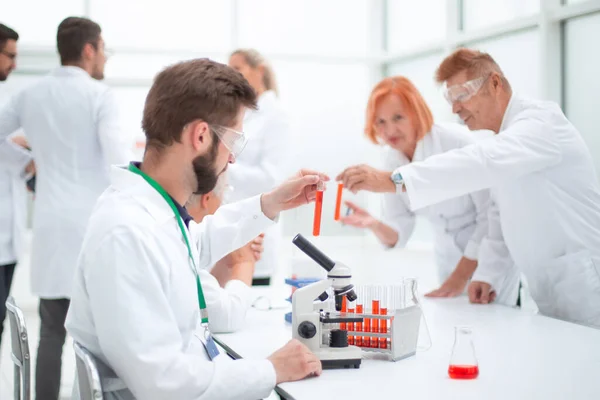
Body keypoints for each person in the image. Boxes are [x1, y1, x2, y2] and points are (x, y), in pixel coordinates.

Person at [65, 58, 326, 399]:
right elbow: (164, 384)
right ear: (201, 135)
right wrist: (271, 368)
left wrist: (271, 202)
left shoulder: (152, 212)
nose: (232, 158)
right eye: (233, 141)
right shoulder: (126, 233)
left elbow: (192, 246)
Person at [345, 48, 600, 328]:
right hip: (550, 286)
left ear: (494, 83)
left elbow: (481, 163)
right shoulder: (506, 141)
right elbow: (503, 217)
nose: (455, 108)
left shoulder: (540, 124)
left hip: (584, 284)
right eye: (450, 99)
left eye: (462, 95)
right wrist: (487, 274)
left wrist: (393, 180)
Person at [0, 16, 131, 398]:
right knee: (98, 337)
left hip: (51, 229)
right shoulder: (100, 96)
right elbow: (118, 165)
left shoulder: (30, 95)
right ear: (89, 49)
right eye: (103, 48)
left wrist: (21, 164)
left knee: (52, 333)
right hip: (94, 229)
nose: (104, 57)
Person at [337, 76, 519, 305]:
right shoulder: (391, 158)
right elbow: (399, 229)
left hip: (489, 263)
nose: (389, 130)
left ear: (416, 113)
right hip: (448, 263)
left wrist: (459, 279)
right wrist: (373, 224)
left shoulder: (456, 141)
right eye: (380, 122)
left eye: (397, 117)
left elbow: (490, 217)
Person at [227, 49, 291, 285]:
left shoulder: (276, 116)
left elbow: (272, 178)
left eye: (238, 70)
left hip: (256, 232)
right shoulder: (243, 113)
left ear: (259, 71)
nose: (231, 76)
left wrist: (222, 168)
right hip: (231, 232)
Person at [0, 22, 36, 350]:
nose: (15, 63)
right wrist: (27, 159)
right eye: (9, 55)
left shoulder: (5, 100)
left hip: (7, 242)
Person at [187, 174, 264, 289]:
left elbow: (208, 291)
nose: (223, 202)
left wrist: (229, 261)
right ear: (206, 198)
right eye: (225, 192)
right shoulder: (182, 244)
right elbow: (222, 306)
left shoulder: (187, 235)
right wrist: (244, 262)